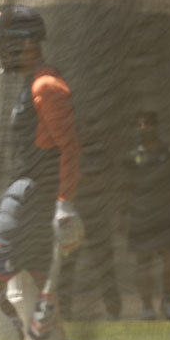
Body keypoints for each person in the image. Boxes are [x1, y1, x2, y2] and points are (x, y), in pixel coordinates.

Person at [0, 5, 84, 340]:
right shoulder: (31, 83)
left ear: (26, 43)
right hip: (30, 198)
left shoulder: (47, 86)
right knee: (33, 294)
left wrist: (66, 205)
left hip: (35, 201)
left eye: (6, 45)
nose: (1, 53)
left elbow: (70, 147)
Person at [122, 110, 170, 320]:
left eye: (147, 123)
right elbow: (125, 190)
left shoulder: (169, 154)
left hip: (164, 217)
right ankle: (146, 306)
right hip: (139, 217)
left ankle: (167, 301)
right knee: (142, 262)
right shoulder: (131, 157)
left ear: (156, 126)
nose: (143, 127)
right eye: (140, 124)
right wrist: (122, 217)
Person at [58, 116, 122, 321]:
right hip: (73, 217)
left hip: (98, 217)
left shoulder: (102, 155)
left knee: (105, 263)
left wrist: (87, 181)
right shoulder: (69, 153)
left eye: (89, 128)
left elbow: (106, 182)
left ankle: (114, 311)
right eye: (81, 129)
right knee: (67, 265)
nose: (85, 133)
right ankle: (64, 311)